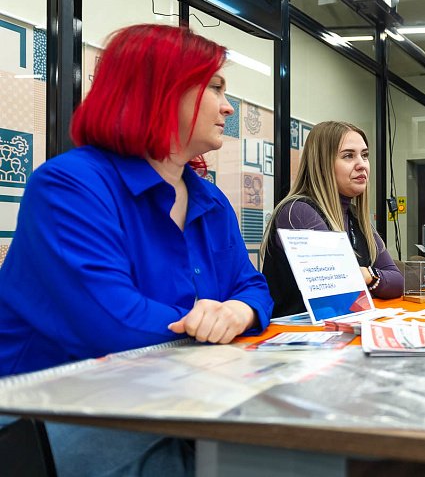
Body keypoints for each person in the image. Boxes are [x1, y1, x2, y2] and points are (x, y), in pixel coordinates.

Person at [0, 24, 273, 476]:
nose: (227, 107)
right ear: (162, 91)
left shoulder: (209, 197)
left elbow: (252, 285)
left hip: (171, 394)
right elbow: (113, 324)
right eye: (217, 87)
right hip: (51, 416)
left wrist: (238, 313)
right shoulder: (68, 185)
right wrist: (208, 324)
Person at [260, 121, 402, 317]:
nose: (362, 164)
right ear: (322, 164)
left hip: (340, 331)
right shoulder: (298, 211)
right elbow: (342, 290)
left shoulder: (356, 218)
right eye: (348, 156)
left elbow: (397, 282)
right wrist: (372, 277)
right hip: (303, 339)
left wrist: (368, 275)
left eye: (364, 155)